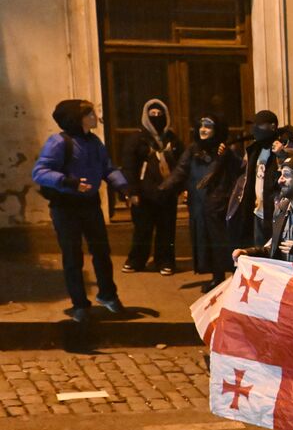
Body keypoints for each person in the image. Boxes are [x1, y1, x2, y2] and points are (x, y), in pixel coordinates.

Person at [31, 99, 131, 319]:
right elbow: (39, 172)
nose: (95, 117)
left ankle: (108, 295)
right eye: (90, 114)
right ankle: (80, 304)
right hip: (65, 208)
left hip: (90, 204)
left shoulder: (94, 142)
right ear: (77, 119)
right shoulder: (59, 142)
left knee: (102, 252)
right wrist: (69, 182)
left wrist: (123, 187)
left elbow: (107, 167)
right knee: (73, 256)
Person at [160, 115, 234, 291]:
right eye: (201, 126)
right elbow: (181, 170)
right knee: (205, 239)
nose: (203, 130)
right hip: (198, 203)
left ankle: (224, 277)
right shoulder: (193, 149)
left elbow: (236, 170)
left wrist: (226, 155)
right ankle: (216, 276)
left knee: (219, 240)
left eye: (208, 127)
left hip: (218, 202)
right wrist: (163, 189)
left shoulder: (224, 149)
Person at [223, 110, 293, 247]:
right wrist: (229, 155)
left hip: (277, 212)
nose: (255, 129)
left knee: (276, 253)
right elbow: (244, 173)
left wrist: (282, 154)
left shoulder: (287, 146)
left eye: (259, 126)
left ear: (273, 126)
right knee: (260, 253)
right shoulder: (256, 149)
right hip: (258, 211)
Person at [122, 98, 183, 276]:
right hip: (144, 193)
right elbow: (129, 166)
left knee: (166, 229)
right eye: (152, 115)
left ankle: (165, 261)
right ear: (145, 117)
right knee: (142, 229)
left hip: (167, 192)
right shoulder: (137, 139)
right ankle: (136, 260)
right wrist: (132, 191)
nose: (156, 118)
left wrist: (180, 188)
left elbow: (181, 165)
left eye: (160, 114)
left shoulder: (172, 139)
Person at [233, 154, 293, 265]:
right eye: (281, 175)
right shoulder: (281, 211)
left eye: (286, 175)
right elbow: (273, 250)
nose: (280, 180)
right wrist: (248, 253)